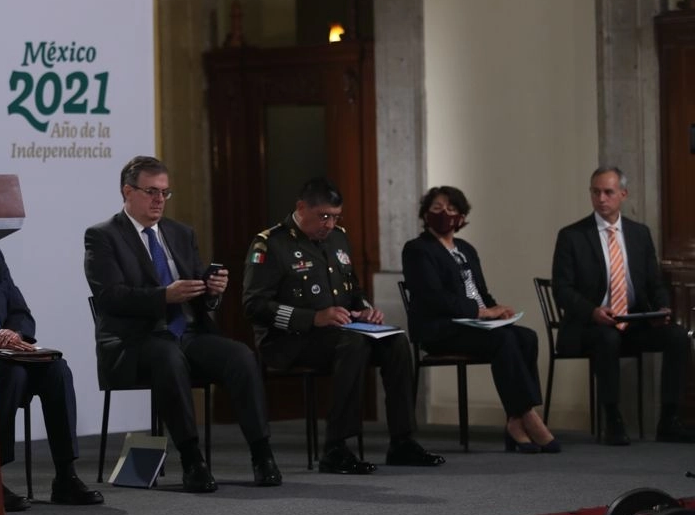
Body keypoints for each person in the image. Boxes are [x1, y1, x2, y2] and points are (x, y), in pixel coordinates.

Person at [84, 155, 281, 492]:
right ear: (128, 192)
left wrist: (211, 292)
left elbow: (195, 294)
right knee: (168, 357)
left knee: (241, 356)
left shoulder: (180, 232)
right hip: (134, 342)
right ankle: (192, 460)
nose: (159, 200)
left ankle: (262, 455)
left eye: (165, 192)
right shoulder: (103, 236)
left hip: (187, 334)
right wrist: (164, 296)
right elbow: (110, 297)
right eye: (151, 191)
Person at [243, 178, 446, 473]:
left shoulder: (338, 238)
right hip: (289, 340)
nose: (329, 224)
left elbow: (353, 291)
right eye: (323, 216)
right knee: (354, 343)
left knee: (396, 342)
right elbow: (254, 306)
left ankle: (402, 441)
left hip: (338, 333)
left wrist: (365, 311)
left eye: (335, 217)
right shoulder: (271, 243)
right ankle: (336, 447)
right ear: (302, 208)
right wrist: (313, 317)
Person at [401, 186, 559, 454]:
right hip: (440, 328)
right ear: (426, 214)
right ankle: (528, 415)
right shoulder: (417, 249)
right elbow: (433, 297)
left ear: (461, 217)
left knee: (526, 337)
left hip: (474, 325)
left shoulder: (466, 249)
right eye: (437, 208)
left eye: (451, 209)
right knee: (503, 339)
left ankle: (515, 420)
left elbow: (480, 292)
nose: (444, 213)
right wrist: (480, 312)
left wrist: (497, 309)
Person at [551, 166, 694, 445]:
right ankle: (612, 419)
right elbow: (562, 290)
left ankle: (669, 420)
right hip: (588, 327)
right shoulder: (572, 236)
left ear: (623, 194)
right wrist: (593, 311)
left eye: (608, 192)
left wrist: (661, 309)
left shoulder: (639, 234)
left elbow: (654, 283)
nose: (601, 198)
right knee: (607, 338)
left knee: (678, 336)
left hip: (633, 324)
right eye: (595, 192)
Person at [0, 245, 104, 511]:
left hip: (6, 349)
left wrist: (14, 334)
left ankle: (65, 476)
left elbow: (20, 312)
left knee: (57, 370)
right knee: (12, 374)